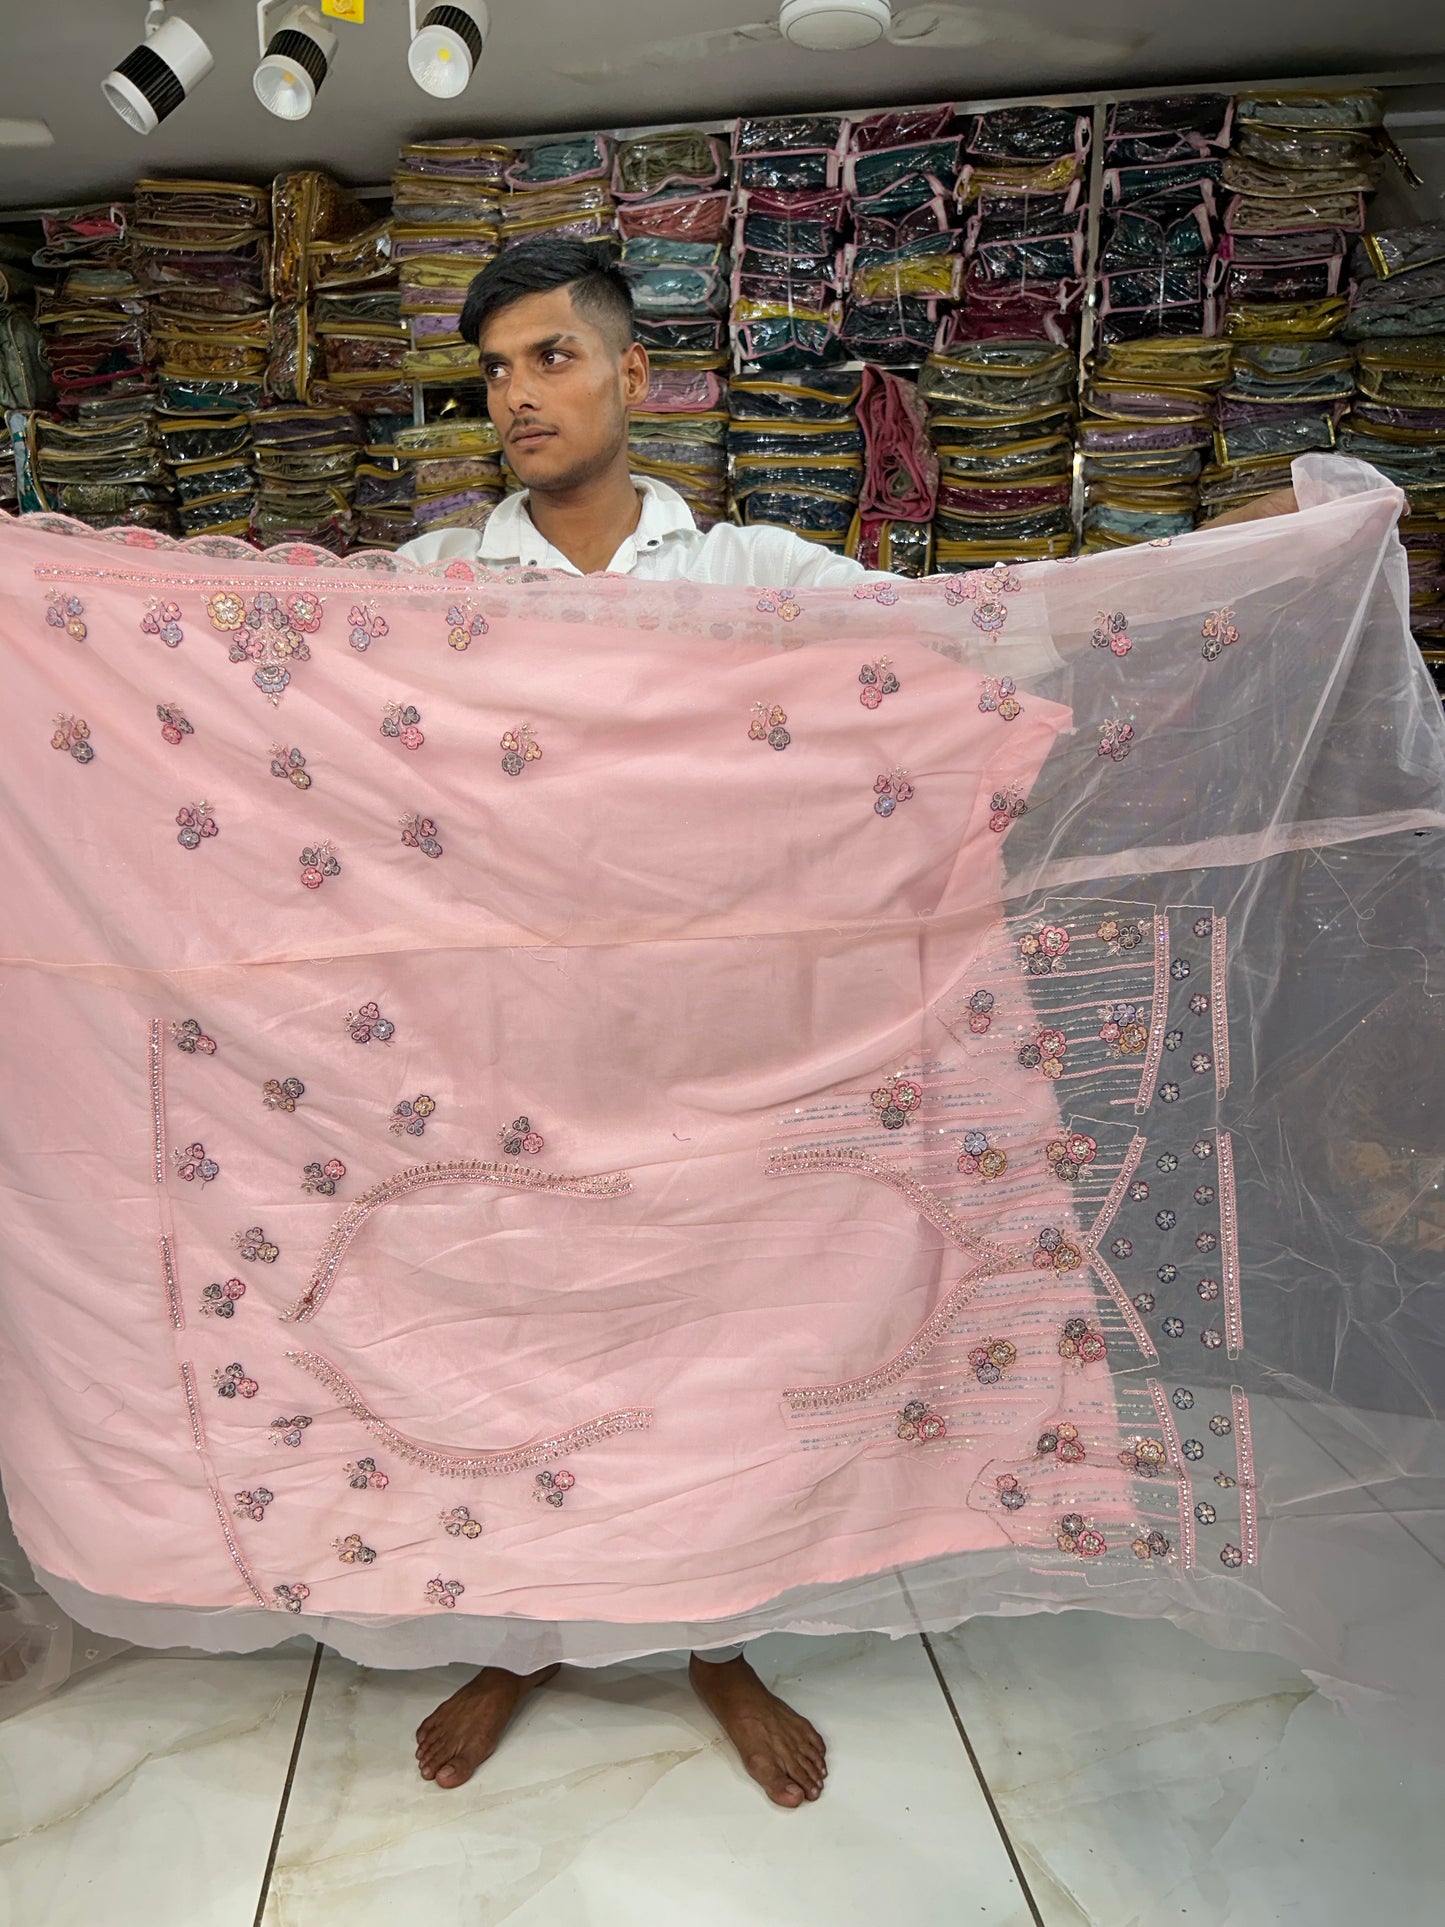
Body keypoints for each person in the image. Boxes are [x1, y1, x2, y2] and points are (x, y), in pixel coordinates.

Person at [396, 237, 1297, 1805]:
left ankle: (716, 1638)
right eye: (493, 370)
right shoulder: (435, 586)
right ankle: (527, 1633)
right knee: (527, 1352)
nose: (515, 395)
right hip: (515, 1056)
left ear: (634, 377)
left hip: (735, 1059)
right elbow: (256, 693)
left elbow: (973, 637)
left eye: (548, 357)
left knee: (722, 1356)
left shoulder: (755, 578)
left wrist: (1218, 551)